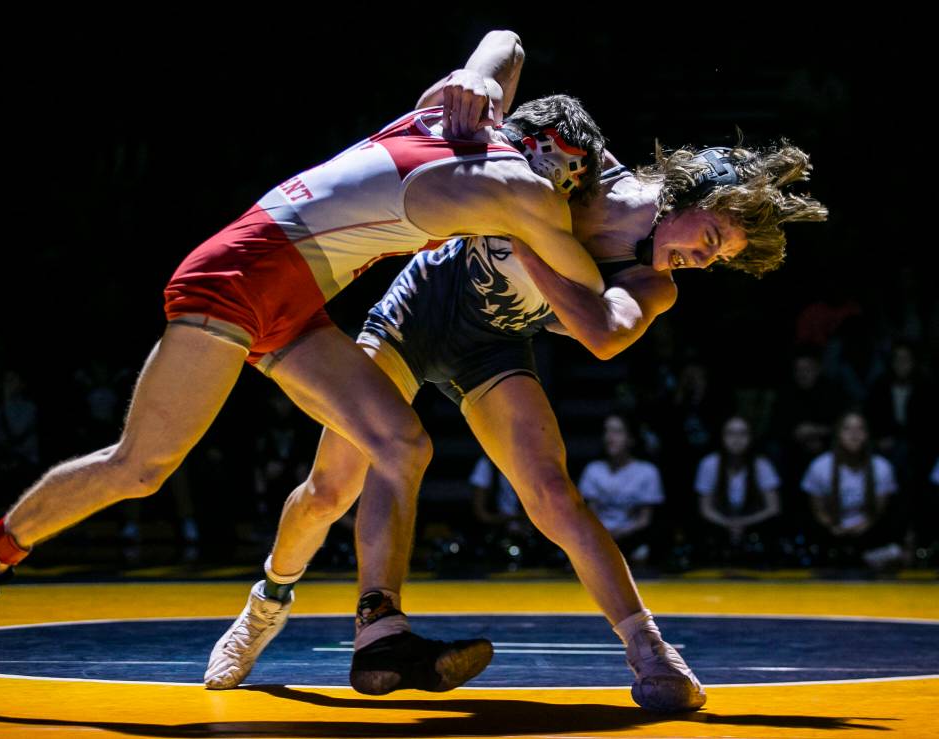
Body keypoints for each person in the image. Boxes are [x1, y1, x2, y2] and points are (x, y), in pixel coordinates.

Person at [0, 30, 608, 698]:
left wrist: (479, 76)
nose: (568, 198)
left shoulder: (450, 117)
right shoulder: (520, 186)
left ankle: (382, 635)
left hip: (295, 298)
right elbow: (590, 293)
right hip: (236, 277)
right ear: (548, 160)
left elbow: (507, 42)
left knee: (401, 444)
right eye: (572, 184)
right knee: (141, 466)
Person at [202, 33, 827, 711]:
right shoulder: (578, 159)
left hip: (494, 340)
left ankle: (649, 647)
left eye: (721, 260)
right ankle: (269, 598)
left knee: (552, 490)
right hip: (423, 302)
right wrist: (480, 82)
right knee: (330, 488)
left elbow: (602, 334)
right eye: (710, 240)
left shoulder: (654, 282)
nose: (705, 261)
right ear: (691, 192)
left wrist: (525, 234)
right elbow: (508, 41)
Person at [800, 411, 903, 567]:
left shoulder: (881, 467)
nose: (854, 434)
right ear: (838, 434)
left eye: (860, 429)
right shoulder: (820, 466)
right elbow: (818, 509)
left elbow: (880, 510)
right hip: (831, 533)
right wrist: (833, 527)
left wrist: (861, 527)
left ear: (867, 435)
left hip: (868, 533)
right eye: (847, 429)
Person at [578, 414, 664, 563]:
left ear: (631, 439)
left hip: (632, 537)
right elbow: (591, 514)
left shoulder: (647, 471)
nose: (610, 437)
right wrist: (605, 534)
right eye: (607, 431)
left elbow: (645, 519)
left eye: (617, 432)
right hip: (598, 537)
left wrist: (621, 533)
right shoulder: (593, 470)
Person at [694, 416, 782, 563]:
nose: (736, 439)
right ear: (721, 437)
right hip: (719, 527)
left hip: (754, 527)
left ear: (751, 437)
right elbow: (704, 508)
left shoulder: (762, 464)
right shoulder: (709, 464)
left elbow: (774, 508)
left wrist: (743, 522)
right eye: (731, 433)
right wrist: (728, 523)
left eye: (743, 433)